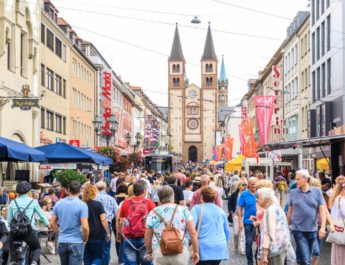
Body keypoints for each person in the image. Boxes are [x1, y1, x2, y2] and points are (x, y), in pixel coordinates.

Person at [145, 185, 199, 265]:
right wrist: (196, 251)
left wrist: (149, 251)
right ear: (172, 196)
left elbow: (147, 236)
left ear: (159, 198)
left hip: (160, 251)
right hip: (180, 250)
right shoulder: (184, 210)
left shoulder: (153, 212)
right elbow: (193, 233)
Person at [287, 170, 326, 265]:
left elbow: (322, 210)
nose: (296, 181)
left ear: (305, 179)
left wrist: (323, 227)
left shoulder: (317, 191)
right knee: (307, 259)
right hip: (298, 229)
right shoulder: (293, 192)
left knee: (302, 256)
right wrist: (287, 226)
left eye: (298, 179)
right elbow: (290, 211)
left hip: (312, 229)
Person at [7, 181, 49, 265]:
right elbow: (42, 217)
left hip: (15, 232)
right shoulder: (33, 202)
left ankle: (14, 261)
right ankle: (33, 262)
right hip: (29, 231)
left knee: (13, 251)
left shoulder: (12, 203)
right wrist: (48, 225)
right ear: (28, 191)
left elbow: (9, 221)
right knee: (37, 248)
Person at [50, 181, 89, 265]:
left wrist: (59, 233)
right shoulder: (82, 205)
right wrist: (85, 239)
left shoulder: (59, 203)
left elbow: (52, 222)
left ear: (68, 189)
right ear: (79, 191)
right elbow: (85, 227)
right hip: (76, 241)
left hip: (62, 241)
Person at [118, 180, 156, 265]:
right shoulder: (150, 203)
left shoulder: (125, 203)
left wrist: (119, 234)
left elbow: (121, 220)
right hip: (146, 239)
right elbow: (155, 221)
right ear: (144, 190)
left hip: (129, 239)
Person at [191, 187, 230, 265]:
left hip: (204, 247)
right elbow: (227, 231)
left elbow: (191, 228)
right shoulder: (220, 210)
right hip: (219, 247)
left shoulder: (196, 209)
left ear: (201, 197)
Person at [256, 188, 290, 265]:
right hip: (281, 248)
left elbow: (268, 233)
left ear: (265, 198)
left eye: (258, 197)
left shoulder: (269, 210)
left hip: (274, 251)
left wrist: (264, 255)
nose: (256, 199)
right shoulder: (277, 207)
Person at [82, 184, 110, 265]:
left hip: (86, 234)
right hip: (98, 233)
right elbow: (104, 220)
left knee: (87, 257)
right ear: (95, 192)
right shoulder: (98, 204)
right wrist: (107, 232)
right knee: (98, 257)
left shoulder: (82, 204)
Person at [95, 181, 118, 265]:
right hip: (107, 224)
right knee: (106, 247)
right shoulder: (111, 199)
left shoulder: (93, 199)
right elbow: (117, 213)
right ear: (105, 188)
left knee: (96, 246)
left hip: (94, 224)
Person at [238, 177, 257, 265]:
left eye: (255, 184)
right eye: (252, 184)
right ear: (248, 185)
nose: (254, 186)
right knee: (248, 242)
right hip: (248, 222)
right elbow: (240, 208)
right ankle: (250, 261)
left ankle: (257, 257)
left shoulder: (259, 193)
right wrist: (240, 222)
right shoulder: (244, 194)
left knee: (261, 242)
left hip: (260, 222)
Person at [329, 176, 345, 265]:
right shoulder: (342, 200)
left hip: (337, 228)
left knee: (337, 255)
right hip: (343, 229)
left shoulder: (336, 198)